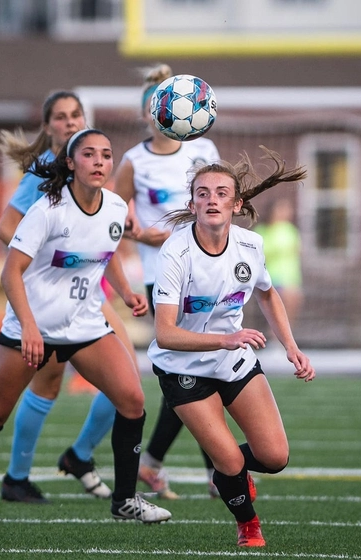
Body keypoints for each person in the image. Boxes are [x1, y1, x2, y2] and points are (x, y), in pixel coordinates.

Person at [0, 129, 171, 527]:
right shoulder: (47, 209)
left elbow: (106, 250)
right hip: (33, 328)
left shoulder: (114, 206)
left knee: (132, 400)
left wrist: (127, 292)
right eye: (89, 154)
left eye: (106, 155)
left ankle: (125, 500)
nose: (99, 161)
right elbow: (11, 272)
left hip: (84, 326)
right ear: (70, 163)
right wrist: (27, 327)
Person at [148, 150, 315, 547]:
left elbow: (268, 294)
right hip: (182, 367)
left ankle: (231, 473)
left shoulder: (251, 246)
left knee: (274, 457)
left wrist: (291, 346)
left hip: (233, 360)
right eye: (202, 193)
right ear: (192, 205)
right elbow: (165, 333)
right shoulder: (175, 252)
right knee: (231, 462)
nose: (211, 199)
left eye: (221, 193)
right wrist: (226, 338)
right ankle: (248, 526)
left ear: (236, 205)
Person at [0, 91, 138, 503]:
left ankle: (78, 455)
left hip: (90, 291)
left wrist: (126, 286)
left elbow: (106, 237)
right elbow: (7, 229)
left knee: (127, 381)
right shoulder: (43, 172)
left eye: (77, 114)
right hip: (53, 296)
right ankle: (17, 477)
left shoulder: (93, 171)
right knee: (47, 385)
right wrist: (47, 264)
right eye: (61, 117)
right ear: (48, 126)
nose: (70, 122)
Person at [114, 63, 219, 499]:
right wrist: (141, 234)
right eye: (153, 104)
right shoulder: (133, 161)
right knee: (192, 370)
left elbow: (221, 202)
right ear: (147, 113)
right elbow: (114, 217)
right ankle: (217, 471)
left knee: (207, 369)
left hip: (209, 274)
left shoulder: (204, 148)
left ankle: (159, 464)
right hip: (164, 278)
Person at [254, 198, 303, 329]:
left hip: (290, 274)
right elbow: (260, 254)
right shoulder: (263, 230)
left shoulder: (290, 230)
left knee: (292, 303)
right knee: (278, 304)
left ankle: (285, 333)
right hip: (272, 273)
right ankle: (274, 334)